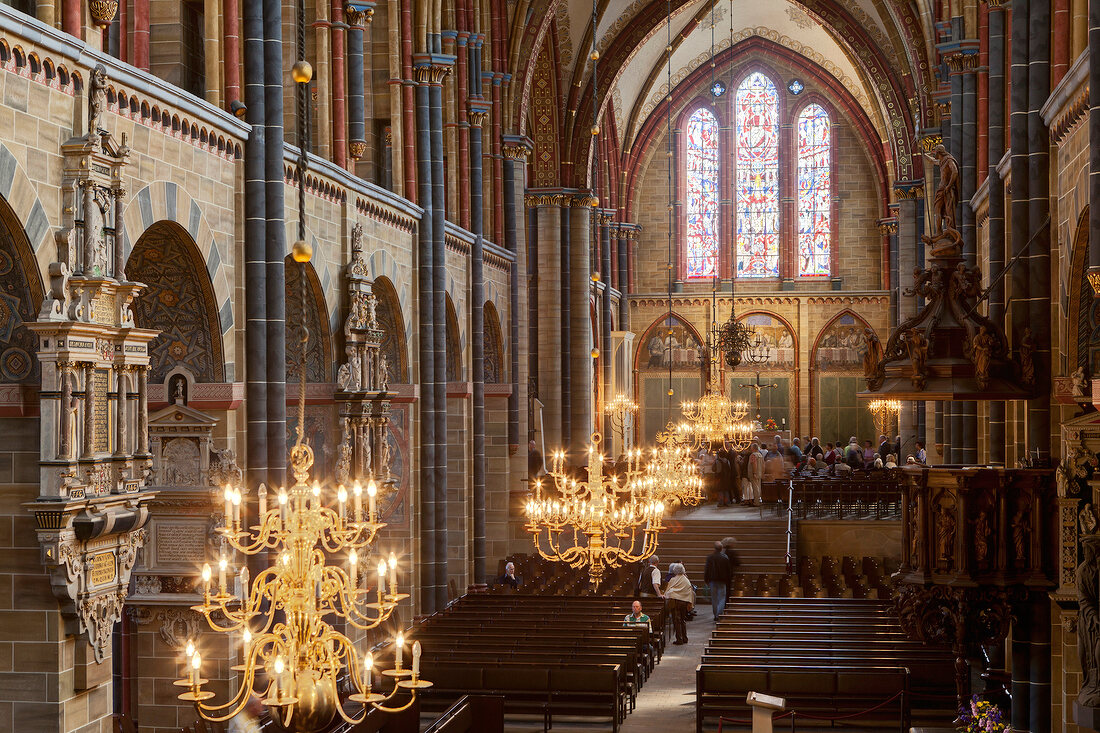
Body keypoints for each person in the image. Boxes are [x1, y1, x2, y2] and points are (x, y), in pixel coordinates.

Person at [663, 563, 695, 645]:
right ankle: (685, 638)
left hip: (675, 602)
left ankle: (679, 639)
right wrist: (689, 602)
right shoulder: (686, 580)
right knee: (683, 620)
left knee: (677, 621)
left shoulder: (673, 580)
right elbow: (689, 591)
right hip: (684, 602)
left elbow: (668, 590)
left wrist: (667, 595)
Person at [704, 540, 732, 621]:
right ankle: (719, 614)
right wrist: (728, 580)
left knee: (714, 598)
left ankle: (715, 614)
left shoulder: (710, 557)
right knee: (722, 598)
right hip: (722, 581)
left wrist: (706, 579)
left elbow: (707, 569)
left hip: (713, 580)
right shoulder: (725, 557)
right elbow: (728, 570)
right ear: (721, 548)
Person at [745, 441, 764, 506]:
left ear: (753, 448)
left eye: (751, 447)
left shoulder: (753, 455)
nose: (750, 448)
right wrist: (762, 473)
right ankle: (759, 500)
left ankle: (756, 502)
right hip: (759, 473)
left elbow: (754, 464)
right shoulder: (760, 455)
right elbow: (763, 465)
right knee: (759, 487)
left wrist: (754, 473)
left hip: (754, 474)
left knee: (755, 488)